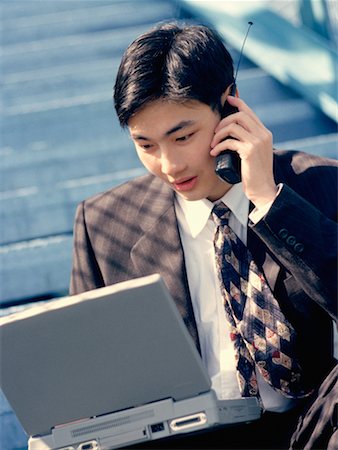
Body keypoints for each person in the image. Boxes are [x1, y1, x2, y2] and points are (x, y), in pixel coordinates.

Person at [70, 21, 337, 449]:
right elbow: (94, 377)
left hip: (313, 431)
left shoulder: (322, 185)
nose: (169, 165)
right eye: (146, 145)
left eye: (183, 136)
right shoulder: (101, 226)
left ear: (230, 105)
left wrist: (268, 201)